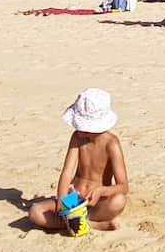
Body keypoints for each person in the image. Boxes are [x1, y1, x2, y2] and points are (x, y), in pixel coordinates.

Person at [28, 88, 129, 232]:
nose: (78, 130)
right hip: (73, 198)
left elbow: (123, 187)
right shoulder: (77, 137)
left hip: (96, 201)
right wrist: (63, 204)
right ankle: (87, 223)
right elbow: (67, 173)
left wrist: (101, 191)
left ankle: (81, 221)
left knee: (118, 201)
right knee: (35, 212)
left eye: (82, 127)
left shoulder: (111, 143)